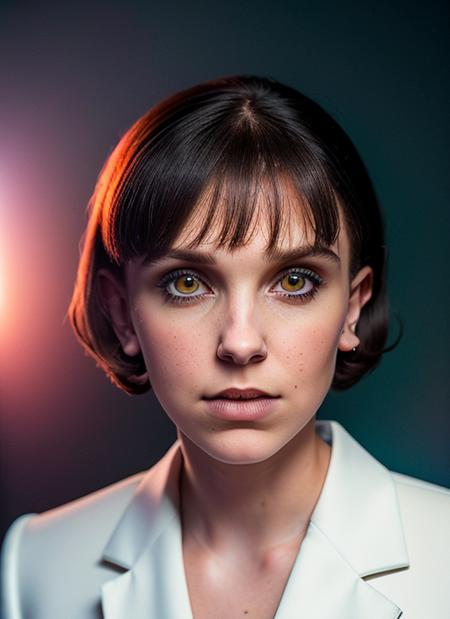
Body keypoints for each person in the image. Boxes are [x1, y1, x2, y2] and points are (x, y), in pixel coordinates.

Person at [1, 75, 449, 619]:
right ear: (122, 313)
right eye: (187, 282)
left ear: (352, 307)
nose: (240, 343)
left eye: (294, 282)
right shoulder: (38, 565)